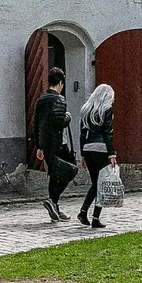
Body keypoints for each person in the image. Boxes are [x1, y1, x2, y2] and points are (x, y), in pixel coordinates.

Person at [32, 66, 79, 222]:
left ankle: (55, 207)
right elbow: (58, 123)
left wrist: (39, 146)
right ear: (60, 83)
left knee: (54, 174)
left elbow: (36, 124)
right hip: (59, 143)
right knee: (71, 170)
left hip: (46, 145)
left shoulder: (41, 100)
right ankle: (53, 200)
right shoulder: (59, 99)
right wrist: (67, 117)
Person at [76, 80, 119, 228]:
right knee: (101, 184)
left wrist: (82, 154)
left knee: (95, 183)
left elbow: (82, 134)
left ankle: (83, 211)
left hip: (88, 148)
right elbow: (108, 133)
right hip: (101, 148)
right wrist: (112, 153)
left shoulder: (85, 110)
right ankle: (95, 217)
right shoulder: (106, 110)